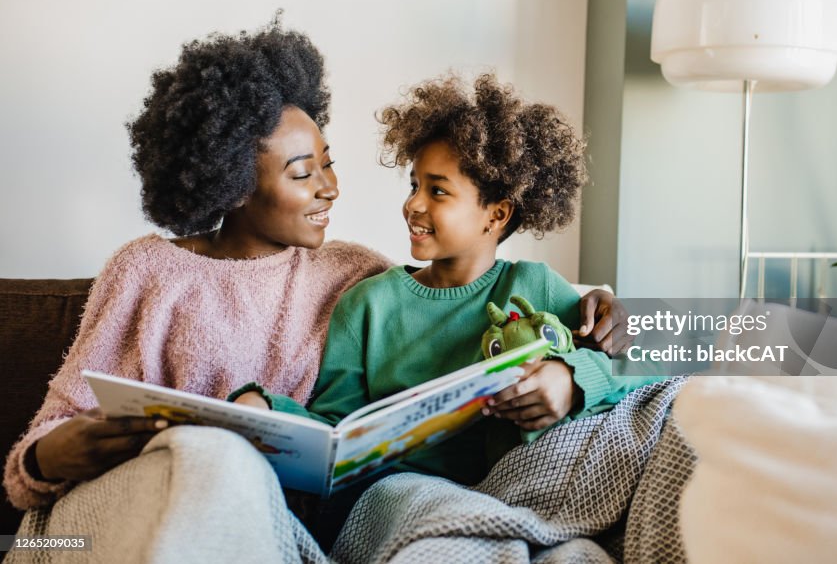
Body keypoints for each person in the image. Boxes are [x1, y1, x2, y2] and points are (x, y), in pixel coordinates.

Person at [2, 27, 626, 541]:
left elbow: (455, 294)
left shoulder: (357, 276)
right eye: (305, 173)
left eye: (330, 162)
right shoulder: (145, 270)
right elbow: (36, 453)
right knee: (211, 456)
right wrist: (53, 455)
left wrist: (595, 322)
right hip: (128, 500)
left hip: (265, 524)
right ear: (233, 183)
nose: (331, 188)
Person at [235, 74, 660, 537]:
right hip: (394, 496)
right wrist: (267, 409)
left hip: (514, 490)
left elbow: (648, 363)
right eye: (414, 185)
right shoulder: (367, 305)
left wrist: (572, 379)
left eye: (437, 191)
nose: (413, 204)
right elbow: (338, 429)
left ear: (496, 214)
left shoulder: (532, 286)